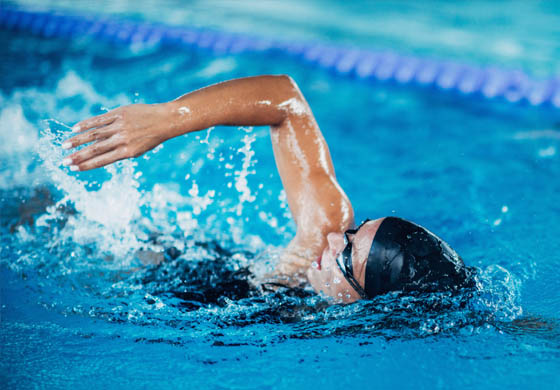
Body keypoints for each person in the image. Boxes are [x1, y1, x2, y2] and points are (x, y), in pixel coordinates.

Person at [61, 75, 473, 303]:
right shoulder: (320, 240)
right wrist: (168, 119)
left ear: (369, 303)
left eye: (347, 256)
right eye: (353, 232)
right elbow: (285, 99)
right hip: (160, 261)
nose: (332, 238)